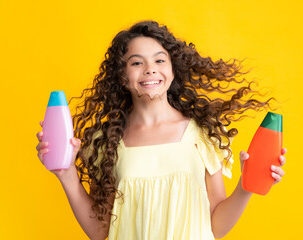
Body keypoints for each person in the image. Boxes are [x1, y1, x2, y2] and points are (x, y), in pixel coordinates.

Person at [36, 21, 287, 240]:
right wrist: (66, 174)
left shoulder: (201, 134)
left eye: (159, 60)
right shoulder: (108, 141)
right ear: (122, 77)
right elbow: (99, 231)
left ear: (172, 69)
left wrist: (246, 185)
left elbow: (217, 227)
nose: (150, 69)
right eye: (136, 62)